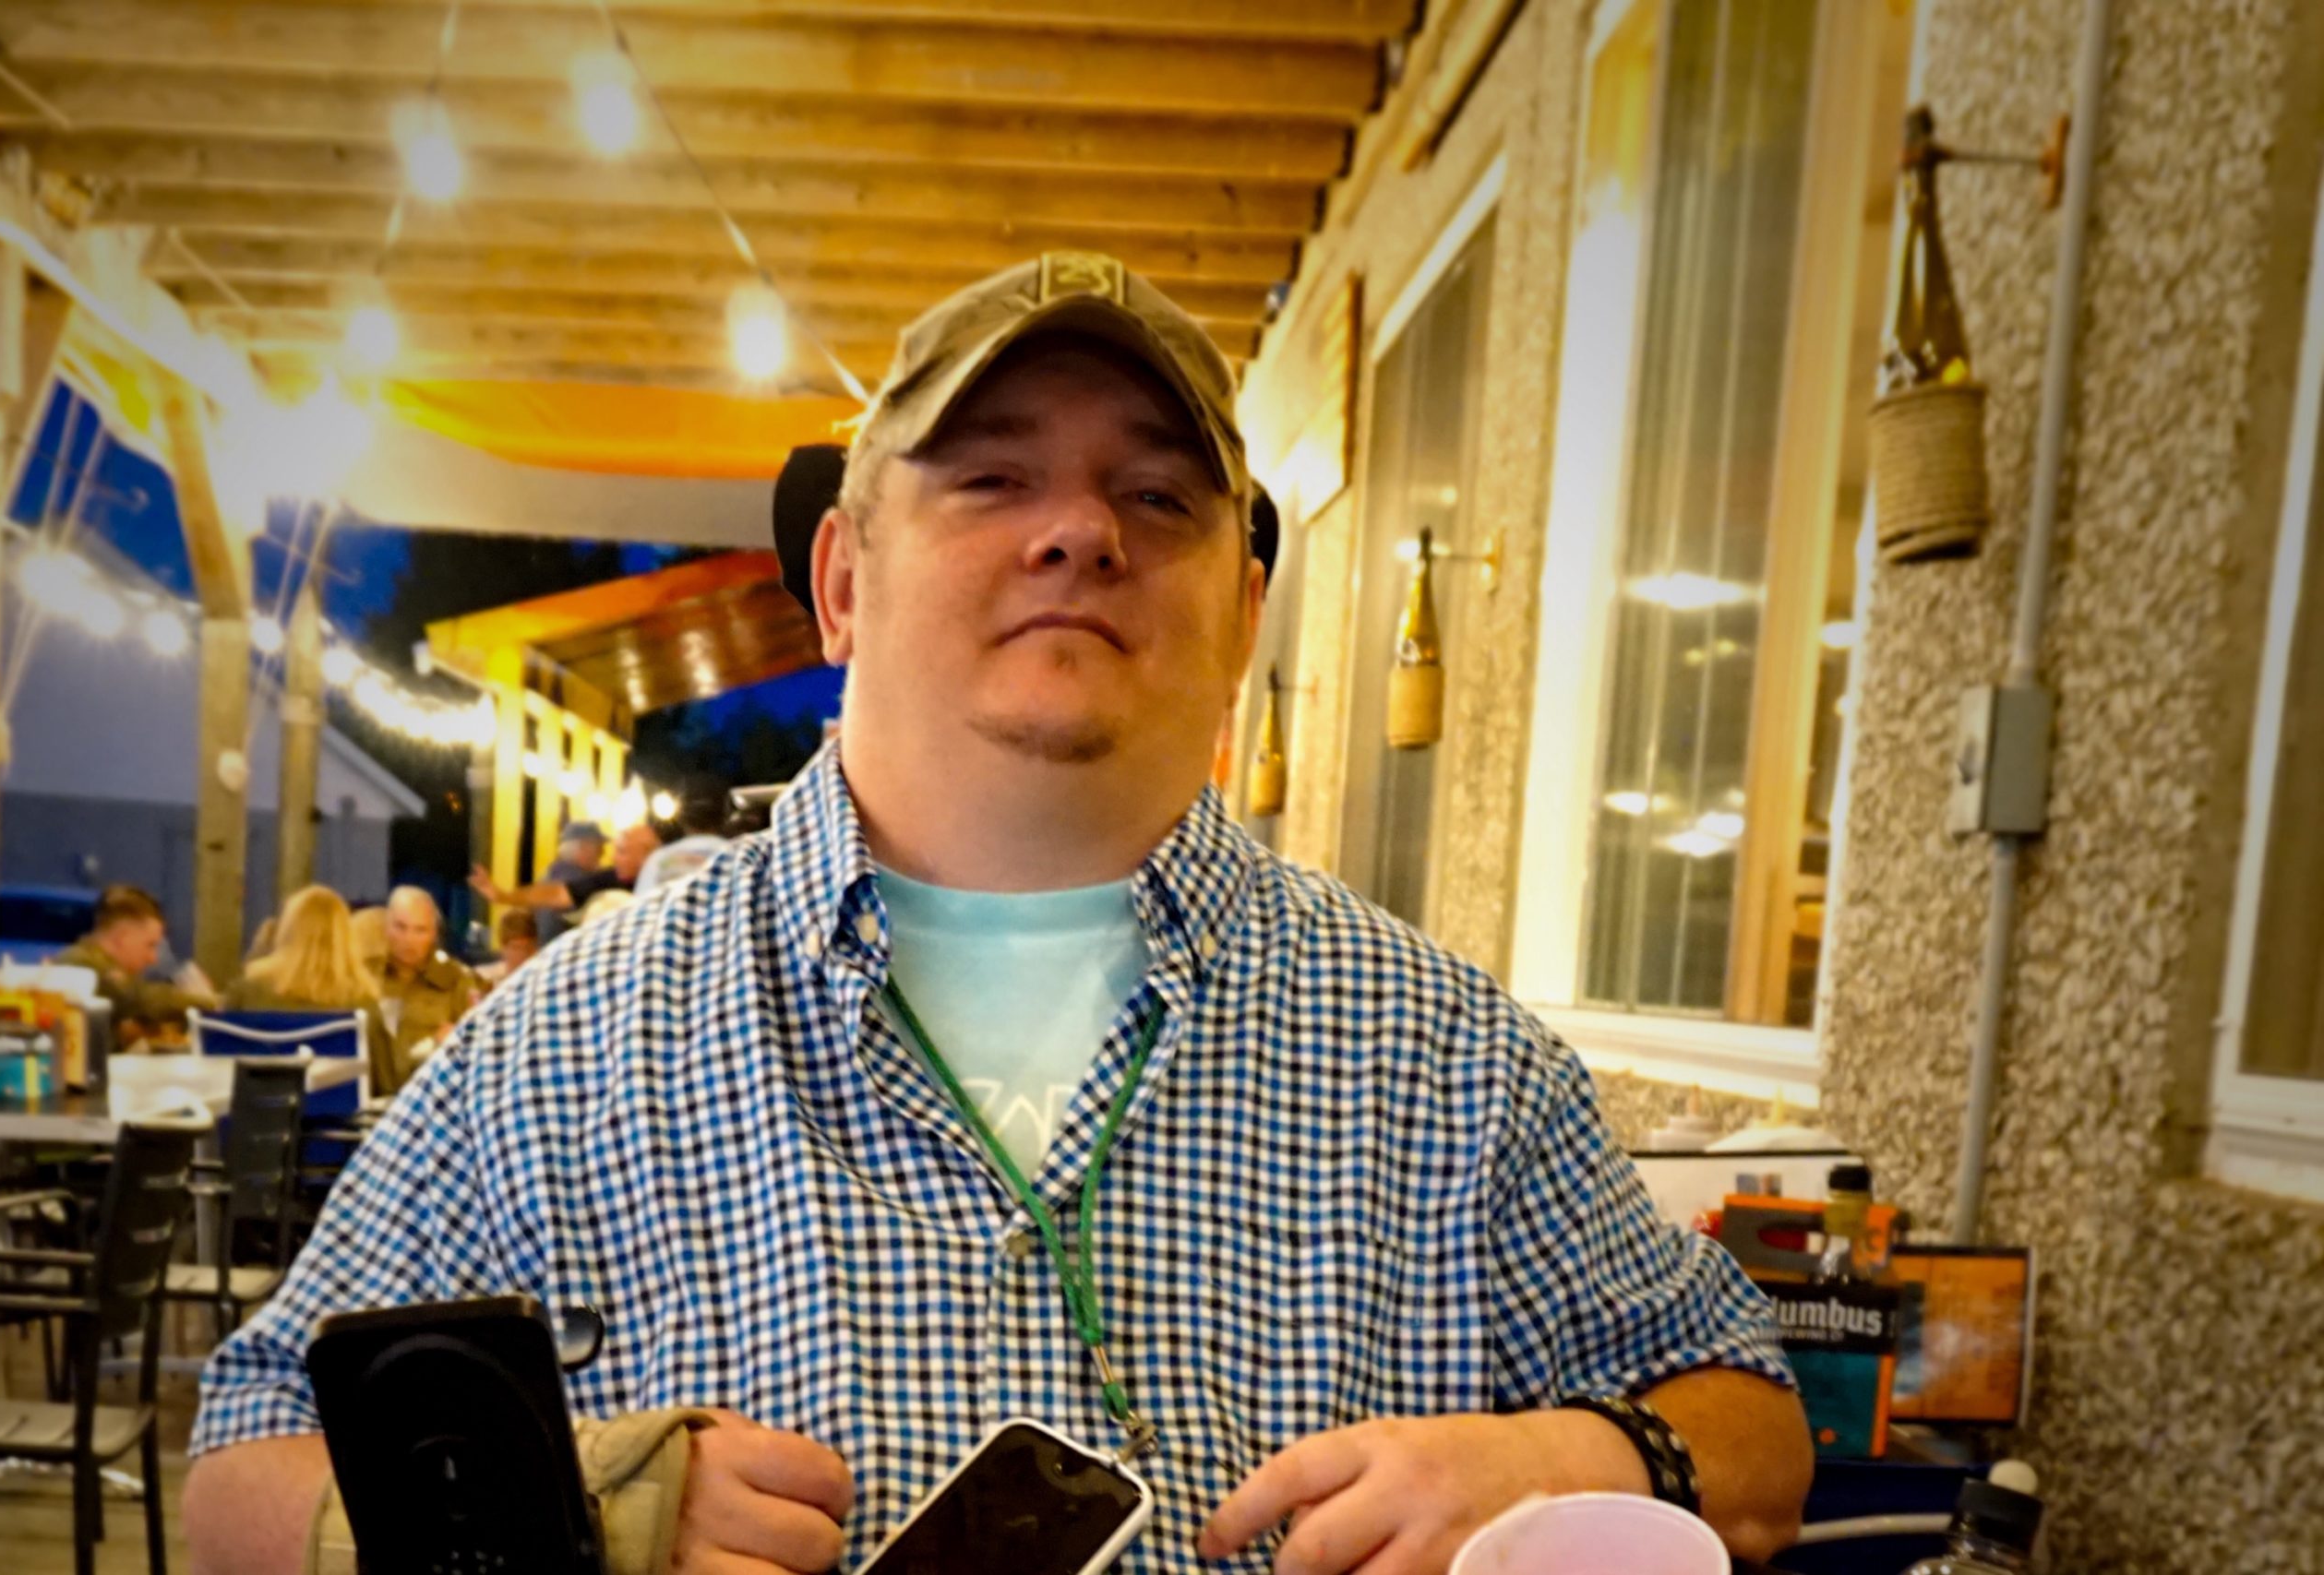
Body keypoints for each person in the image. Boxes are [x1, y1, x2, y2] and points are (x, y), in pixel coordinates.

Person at [185, 254, 1810, 1575]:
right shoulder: (562, 1045)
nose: (1082, 529)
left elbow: (1758, 1428)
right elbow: (234, 1470)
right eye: (992, 476)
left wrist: (1566, 1456)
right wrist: (573, 1504)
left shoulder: (1448, 1058)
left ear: (1245, 612)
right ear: (842, 579)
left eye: (1163, 498)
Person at [222, 885, 393, 1090]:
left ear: (287, 930)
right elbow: (385, 1085)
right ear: (345, 936)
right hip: (339, 1116)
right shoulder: (363, 1004)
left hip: (259, 1115)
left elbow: (217, 1066)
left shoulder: (247, 991)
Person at [49, 883, 216, 1046]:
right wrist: (208, 1002)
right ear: (123, 937)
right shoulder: (83, 965)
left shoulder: (93, 963)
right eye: (150, 945)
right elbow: (139, 999)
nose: (153, 958)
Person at [372, 886, 477, 1096]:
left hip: (430, 1101)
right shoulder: (364, 975)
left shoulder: (456, 981)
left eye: (420, 930)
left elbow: (475, 1048)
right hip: (369, 1103)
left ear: (434, 933)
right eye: (400, 927)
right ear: (385, 927)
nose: (409, 939)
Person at [468, 822, 660, 927]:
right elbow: (558, 893)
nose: (611, 856)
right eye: (602, 848)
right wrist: (502, 896)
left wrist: (504, 896)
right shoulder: (611, 878)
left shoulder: (670, 881)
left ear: (646, 855)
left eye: (622, 851)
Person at [632, 786, 731, 897]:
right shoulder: (737, 856)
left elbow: (640, 905)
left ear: (682, 819)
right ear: (724, 817)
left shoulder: (659, 858)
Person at [474, 909, 541, 991]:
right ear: (503, 948)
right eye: (516, 948)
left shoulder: (544, 980)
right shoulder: (484, 979)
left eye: (528, 948)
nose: (522, 954)